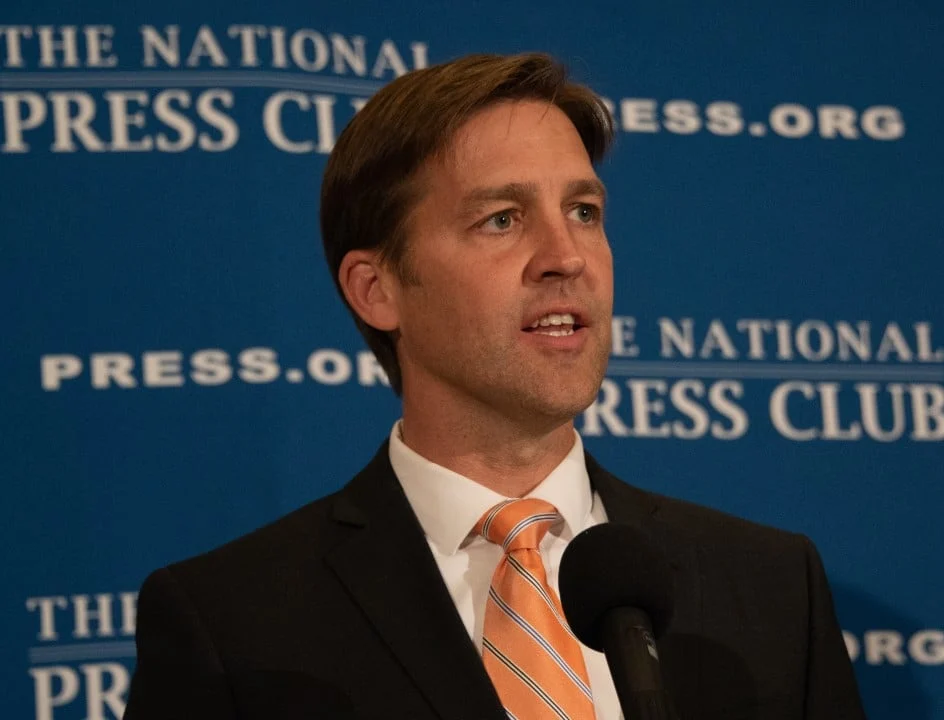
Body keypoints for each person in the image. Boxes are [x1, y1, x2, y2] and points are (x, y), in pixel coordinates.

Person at [124, 53, 865, 719]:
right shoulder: (235, 623)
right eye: (502, 219)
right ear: (377, 289)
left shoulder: (771, 587)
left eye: (583, 212)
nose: (566, 256)